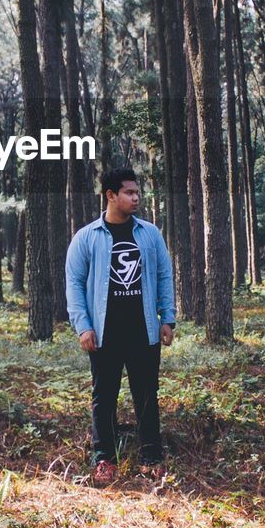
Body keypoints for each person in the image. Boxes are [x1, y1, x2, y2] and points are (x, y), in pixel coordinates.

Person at [65, 167, 177, 486]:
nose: (136, 197)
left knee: (146, 395)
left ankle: (151, 457)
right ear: (110, 195)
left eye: (138, 192)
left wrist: (166, 317)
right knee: (104, 397)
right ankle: (104, 459)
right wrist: (83, 326)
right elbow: (73, 284)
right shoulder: (87, 238)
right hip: (104, 333)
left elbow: (164, 275)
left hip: (143, 330)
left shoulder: (149, 234)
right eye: (129, 192)